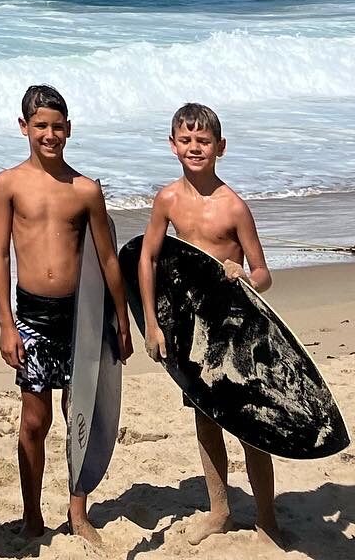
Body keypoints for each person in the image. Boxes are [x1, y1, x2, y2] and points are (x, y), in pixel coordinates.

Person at [0, 84, 133, 545]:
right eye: (40, 126)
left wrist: (122, 320)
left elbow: (108, 259)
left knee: (80, 415)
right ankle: (32, 514)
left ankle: (77, 509)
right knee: (35, 420)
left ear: (69, 129)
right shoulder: (8, 183)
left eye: (56, 126)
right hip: (30, 316)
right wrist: (6, 324)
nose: (49, 134)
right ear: (23, 128)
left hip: (81, 319)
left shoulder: (86, 189)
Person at [139, 103, 278, 545]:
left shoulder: (234, 207)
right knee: (205, 419)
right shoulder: (167, 200)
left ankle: (267, 518)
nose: (194, 148)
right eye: (186, 140)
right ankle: (220, 510)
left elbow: (264, 274)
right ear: (172, 145)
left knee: (249, 425)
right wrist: (150, 322)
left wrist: (246, 276)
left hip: (235, 330)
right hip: (192, 326)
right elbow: (148, 257)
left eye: (203, 141)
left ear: (220, 147)